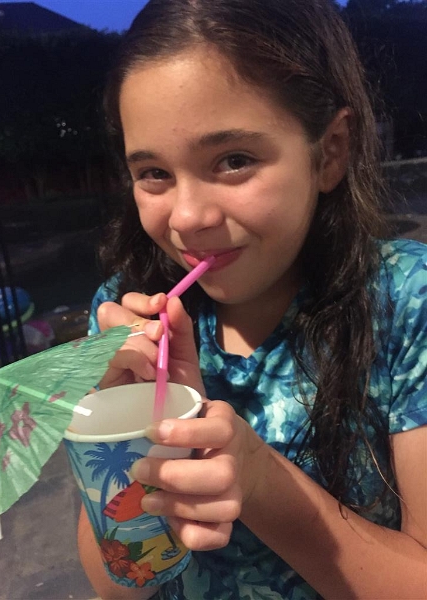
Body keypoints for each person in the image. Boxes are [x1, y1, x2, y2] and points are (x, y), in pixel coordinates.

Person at [77, 0, 427, 598]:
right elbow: (117, 585)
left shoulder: (405, 301)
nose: (187, 218)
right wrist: (132, 428)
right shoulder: (124, 313)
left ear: (330, 151)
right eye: (154, 173)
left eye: (234, 161)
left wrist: (260, 483)